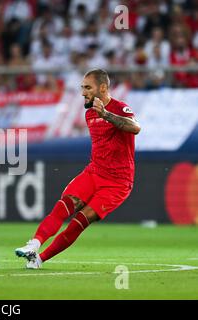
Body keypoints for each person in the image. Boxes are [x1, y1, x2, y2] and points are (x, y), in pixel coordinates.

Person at [15, 69, 141, 268]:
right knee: (64, 204)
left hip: (118, 182)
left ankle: (39, 259)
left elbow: (135, 128)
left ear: (103, 88)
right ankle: (34, 244)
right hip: (94, 172)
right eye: (82, 87)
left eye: (88, 88)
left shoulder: (120, 107)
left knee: (81, 220)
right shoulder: (89, 113)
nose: (83, 92)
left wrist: (106, 114)